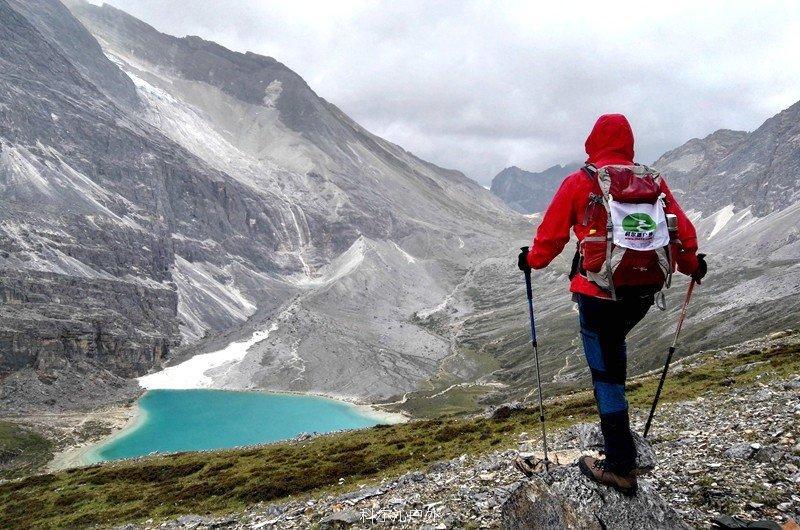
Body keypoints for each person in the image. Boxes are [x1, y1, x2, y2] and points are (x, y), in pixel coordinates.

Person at [517, 114, 707, 495]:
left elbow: (551, 237)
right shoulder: (651, 181)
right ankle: (621, 441)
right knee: (613, 354)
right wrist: (691, 265)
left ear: (592, 141)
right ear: (630, 143)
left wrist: (531, 261)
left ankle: (620, 465)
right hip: (641, 293)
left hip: (598, 295)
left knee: (606, 374)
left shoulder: (581, 181)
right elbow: (682, 231)